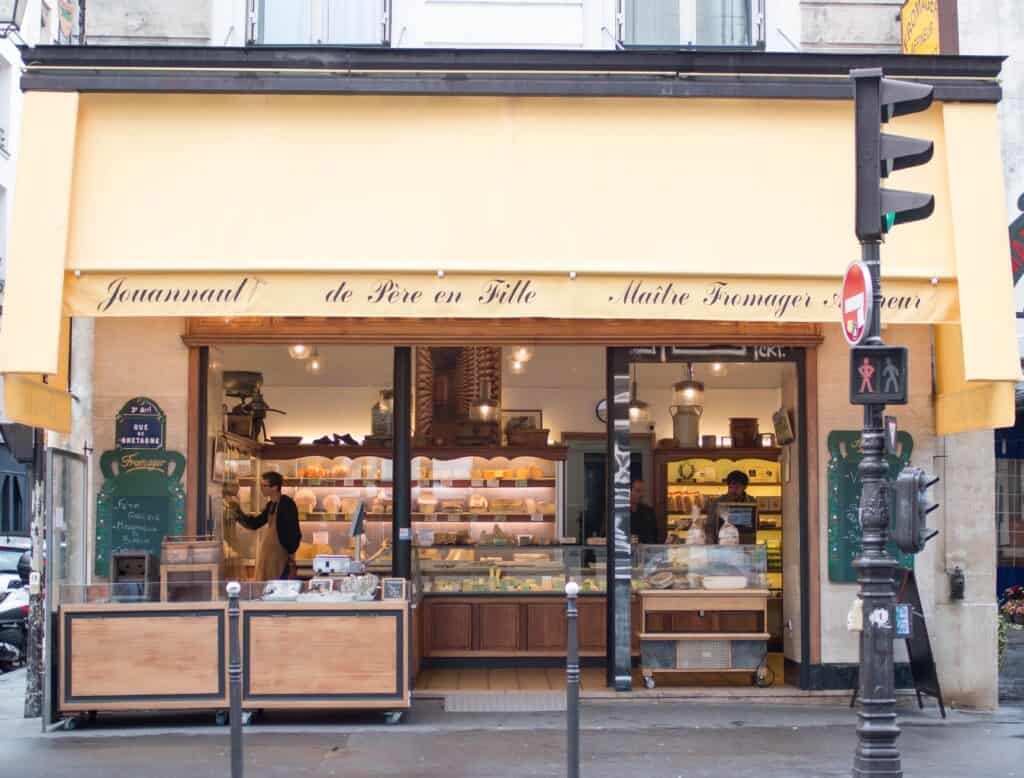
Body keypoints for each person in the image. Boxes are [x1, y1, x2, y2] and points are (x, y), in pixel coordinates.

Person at [235, 471, 301, 580]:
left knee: (277, 583)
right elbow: (256, 523)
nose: (261, 489)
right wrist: (238, 514)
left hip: (280, 554)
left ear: (275, 487)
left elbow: (293, 531)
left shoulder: (287, 504)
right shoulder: (271, 505)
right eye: (261, 485)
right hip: (269, 552)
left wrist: (291, 553)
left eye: (264, 485)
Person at [704, 470, 756, 545]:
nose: (733, 490)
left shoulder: (752, 502)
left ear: (745, 487)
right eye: (731, 487)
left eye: (737, 487)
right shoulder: (717, 502)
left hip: (746, 544)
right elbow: (709, 526)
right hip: (723, 544)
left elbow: (756, 525)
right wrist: (711, 544)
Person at [630, 478, 665, 545]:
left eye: (643, 491)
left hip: (647, 550)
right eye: (638, 491)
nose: (641, 495)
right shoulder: (619, 513)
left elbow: (654, 536)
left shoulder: (648, 511)